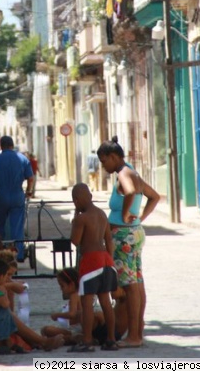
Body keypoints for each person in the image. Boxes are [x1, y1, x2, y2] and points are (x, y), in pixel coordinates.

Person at [97, 136, 160, 348]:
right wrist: (140, 218)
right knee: (137, 284)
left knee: (130, 285)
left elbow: (132, 192)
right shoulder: (132, 172)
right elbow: (154, 197)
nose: (103, 166)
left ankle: (133, 336)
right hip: (133, 234)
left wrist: (125, 215)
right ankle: (137, 332)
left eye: (104, 161)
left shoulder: (124, 173)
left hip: (124, 237)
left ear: (114, 157)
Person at [69, 182, 118, 352]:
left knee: (87, 302)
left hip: (91, 260)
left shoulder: (82, 218)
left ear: (76, 201)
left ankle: (87, 340)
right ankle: (111, 339)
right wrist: (110, 260)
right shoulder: (102, 214)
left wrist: (75, 219)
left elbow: (75, 241)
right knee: (105, 300)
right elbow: (109, 240)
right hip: (105, 259)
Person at [0, 135, 33, 262]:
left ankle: (0, 252)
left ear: (1, 146)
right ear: (12, 145)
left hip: (0, 197)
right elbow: (30, 178)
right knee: (17, 226)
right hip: (17, 196)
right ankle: (19, 254)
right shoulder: (23, 158)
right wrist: (28, 191)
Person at [40, 267, 82, 345]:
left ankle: (71, 338)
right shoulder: (80, 294)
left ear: (71, 284)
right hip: (76, 328)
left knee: (46, 330)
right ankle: (71, 338)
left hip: (75, 329)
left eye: (62, 286)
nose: (61, 289)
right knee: (47, 331)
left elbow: (72, 314)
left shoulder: (74, 296)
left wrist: (57, 315)